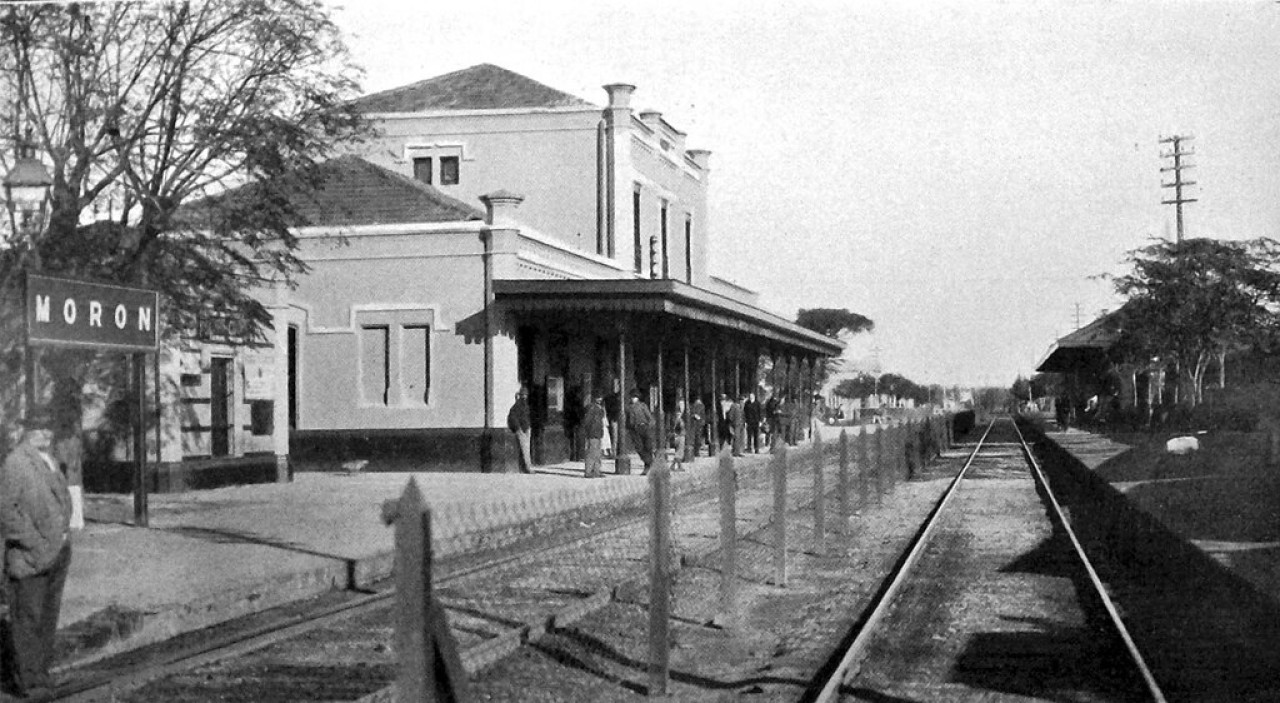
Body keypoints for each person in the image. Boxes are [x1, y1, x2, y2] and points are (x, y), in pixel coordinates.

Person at [1, 409, 73, 699]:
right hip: (30, 557)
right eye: (39, 428)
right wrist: (34, 541)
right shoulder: (16, 462)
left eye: (49, 428)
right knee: (27, 618)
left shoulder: (49, 460)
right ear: (26, 430)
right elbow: (5, 511)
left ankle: (40, 675)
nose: (46, 433)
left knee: (46, 617)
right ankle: (27, 681)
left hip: (57, 552)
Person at [626, 389, 654, 474]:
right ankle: (650, 462)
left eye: (635, 397)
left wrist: (649, 427)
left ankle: (647, 466)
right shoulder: (629, 407)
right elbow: (628, 420)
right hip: (634, 429)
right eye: (632, 397)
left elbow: (649, 417)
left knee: (647, 447)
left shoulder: (642, 406)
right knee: (639, 448)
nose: (633, 399)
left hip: (644, 427)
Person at [507, 388, 533, 473]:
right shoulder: (517, 406)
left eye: (525, 395)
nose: (525, 396)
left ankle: (527, 466)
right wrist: (518, 428)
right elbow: (512, 418)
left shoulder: (524, 405)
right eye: (523, 395)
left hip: (525, 429)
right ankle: (528, 467)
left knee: (526, 448)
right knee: (525, 449)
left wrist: (528, 426)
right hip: (522, 430)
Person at [582, 393, 606, 479]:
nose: (600, 399)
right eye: (598, 397)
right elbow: (587, 422)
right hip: (593, 433)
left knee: (597, 453)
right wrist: (589, 431)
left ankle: (596, 471)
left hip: (598, 433)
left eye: (601, 397)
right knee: (591, 453)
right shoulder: (592, 408)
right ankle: (588, 472)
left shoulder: (598, 408)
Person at [670, 400, 687, 472]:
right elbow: (681, 427)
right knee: (679, 452)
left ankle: (677, 466)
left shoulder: (674, 419)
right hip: (680, 436)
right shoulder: (679, 420)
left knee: (678, 452)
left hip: (676, 436)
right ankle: (674, 466)